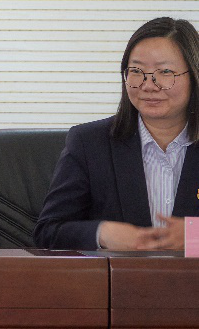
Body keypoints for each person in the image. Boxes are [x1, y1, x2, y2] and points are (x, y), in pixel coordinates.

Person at [34, 17, 199, 251]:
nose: (148, 85)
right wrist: (102, 233)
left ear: (194, 75)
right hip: (119, 275)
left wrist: (194, 236)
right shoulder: (89, 143)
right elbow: (47, 232)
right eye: (137, 71)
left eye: (165, 71)